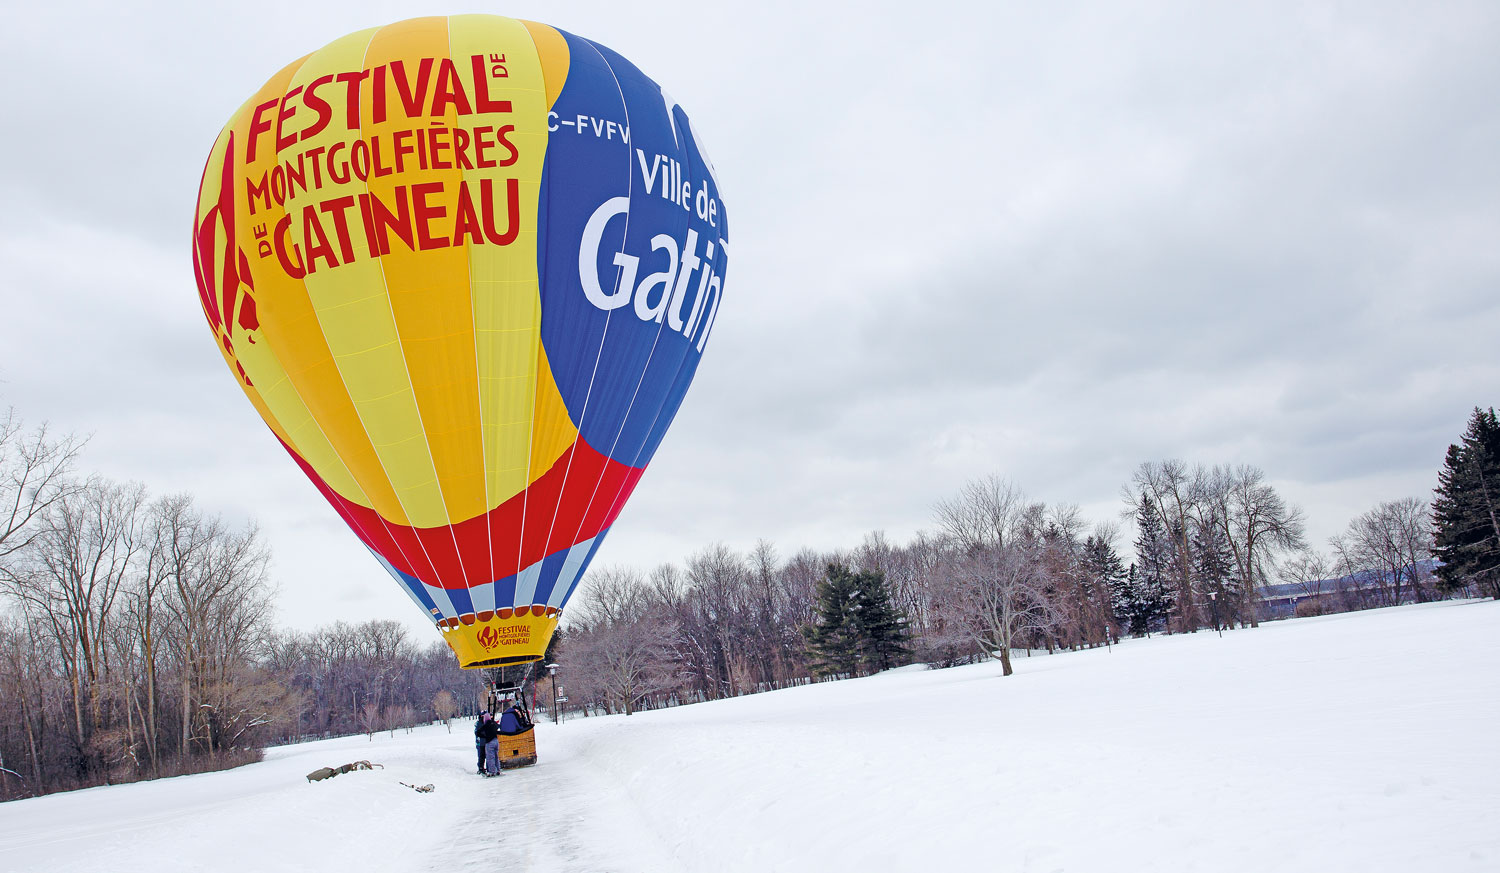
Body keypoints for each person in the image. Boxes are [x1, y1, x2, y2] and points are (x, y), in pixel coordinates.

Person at [477, 711, 502, 776]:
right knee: (496, 756)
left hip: (489, 742)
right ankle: (498, 770)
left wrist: (484, 736)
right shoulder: (493, 723)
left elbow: (478, 732)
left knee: (490, 757)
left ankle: (492, 771)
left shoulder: (485, 725)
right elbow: (498, 727)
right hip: (496, 741)